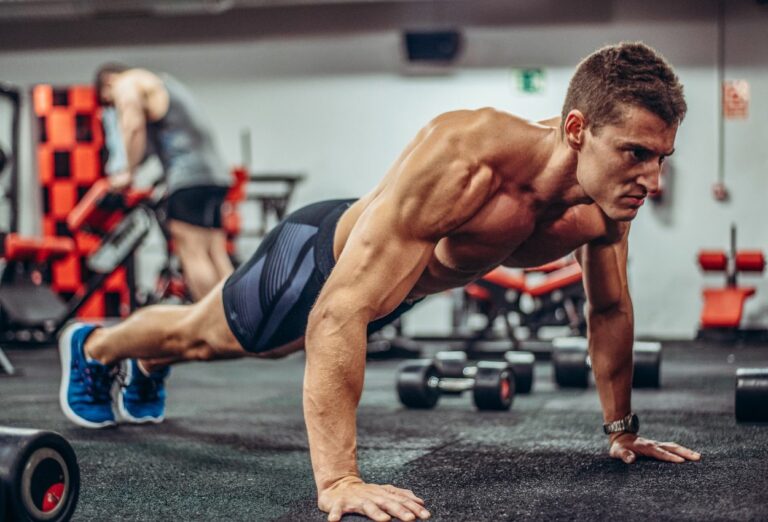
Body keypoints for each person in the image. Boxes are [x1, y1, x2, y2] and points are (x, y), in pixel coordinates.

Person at [62, 42, 701, 521]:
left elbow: (610, 309)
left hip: (391, 293)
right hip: (318, 260)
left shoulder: (604, 203)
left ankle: (142, 365)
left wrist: (623, 433)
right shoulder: (468, 156)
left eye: (661, 158)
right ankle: (94, 346)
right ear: (577, 130)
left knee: (238, 342)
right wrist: (339, 480)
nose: (652, 179)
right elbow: (337, 313)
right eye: (635, 154)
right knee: (210, 337)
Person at [95, 65, 234, 302]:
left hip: (188, 179)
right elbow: (146, 144)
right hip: (215, 176)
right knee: (214, 252)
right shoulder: (161, 84)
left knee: (192, 251)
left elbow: (133, 127)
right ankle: (239, 321)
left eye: (109, 102)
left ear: (108, 83)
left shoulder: (127, 83)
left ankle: (214, 326)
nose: (113, 107)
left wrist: (128, 173)